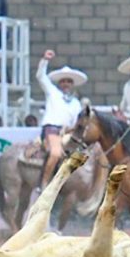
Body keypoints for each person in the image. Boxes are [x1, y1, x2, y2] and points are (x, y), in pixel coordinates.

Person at [36, 49, 87, 191]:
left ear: (72, 84)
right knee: (56, 153)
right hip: (51, 129)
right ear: (59, 83)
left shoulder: (76, 102)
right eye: (63, 81)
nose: (66, 84)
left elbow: (76, 122)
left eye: (68, 82)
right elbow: (41, 77)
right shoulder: (52, 92)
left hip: (68, 132)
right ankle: (44, 183)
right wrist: (45, 60)